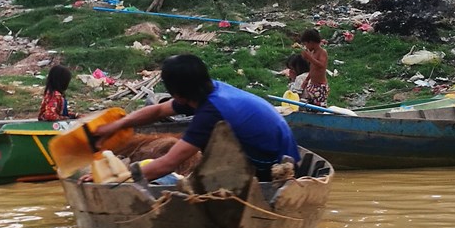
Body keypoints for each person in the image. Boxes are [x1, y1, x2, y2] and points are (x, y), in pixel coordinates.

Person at [92, 54, 300, 182]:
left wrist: (113, 178)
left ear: (177, 94)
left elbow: (168, 163)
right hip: (282, 151)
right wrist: (116, 125)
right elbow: (157, 111)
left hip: (274, 167)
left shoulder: (212, 113)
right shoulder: (210, 91)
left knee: (175, 176)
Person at [299, 29, 329, 108]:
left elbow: (321, 65)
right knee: (310, 105)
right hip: (312, 84)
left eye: (306, 44)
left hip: (320, 86)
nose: (306, 47)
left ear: (311, 42)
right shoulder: (313, 53)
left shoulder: (322, 52)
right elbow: (313, 68)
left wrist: (309, 57)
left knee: (319, 107)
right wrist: (306, 79)